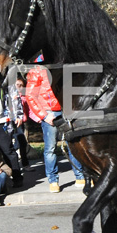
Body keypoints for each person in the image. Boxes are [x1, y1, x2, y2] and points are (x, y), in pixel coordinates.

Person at [26, 63, 87, 193]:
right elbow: (30, 95)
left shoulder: (62, 64)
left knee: (72, 144)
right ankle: (53, 180)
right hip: (49, 112)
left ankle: (80, 175)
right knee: (50, 148)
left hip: (65, 110)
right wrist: (44, 116)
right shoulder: (37, 70)